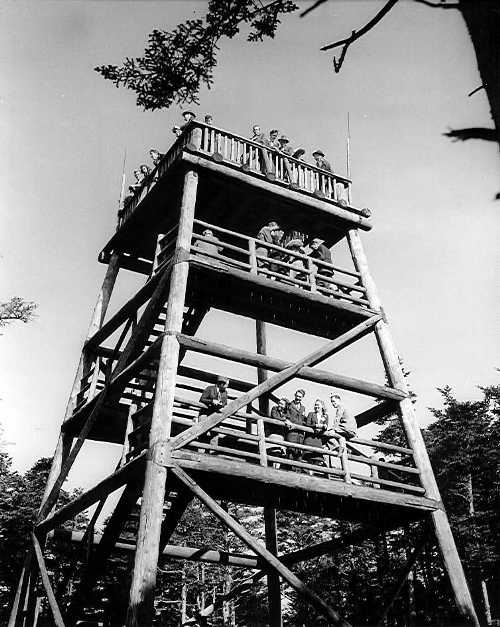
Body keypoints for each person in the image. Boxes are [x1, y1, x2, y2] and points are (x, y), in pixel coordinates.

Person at [322, 393, 357, 469]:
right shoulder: (346, 407)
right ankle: (343, 448)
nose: (332, 403)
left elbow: (337, 419)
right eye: (331, 402)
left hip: (346, 428)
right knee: (334, 435)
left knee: (328, 434)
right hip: (351, 430)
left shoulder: (340, 407)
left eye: (334, 401)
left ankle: (337, 447)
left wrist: (333, 429)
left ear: (339, 400)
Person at [303, 399, 329, 469]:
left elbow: (326, 426)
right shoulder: (311, 414)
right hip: (310, 439)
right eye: (315, 404)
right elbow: (307, 424)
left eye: (318, 405)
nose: (316, 406)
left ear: (322, 406)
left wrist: (324, 427)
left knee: (317, 460)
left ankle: (313, 475)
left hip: (318, 441)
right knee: (309, 460)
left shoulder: (325, 416)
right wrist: (316, 426)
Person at [284, 389, 306, 466]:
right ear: (294, 395)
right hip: (291, 432)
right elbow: (287, 416)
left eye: (300, 397)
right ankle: (288, 470)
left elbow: (303, 420)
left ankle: (297, 471)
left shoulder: (303, 408)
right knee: (290, 451)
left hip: (300, 434)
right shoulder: (289, 405)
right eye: (297, 396)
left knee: (299, 453)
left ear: (302, 397)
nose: (298, 398)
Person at [266, 398, 289, 462]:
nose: (279, 405)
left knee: (279, 452)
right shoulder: (274, 408)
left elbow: (289, 418)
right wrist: (284, 420)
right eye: (279, 403)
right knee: (272, 451)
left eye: (282, 404)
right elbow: (274, 416)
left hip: (281, 435)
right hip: (273, 434)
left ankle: (276, 467)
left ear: (285, 406)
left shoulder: (285, 413)